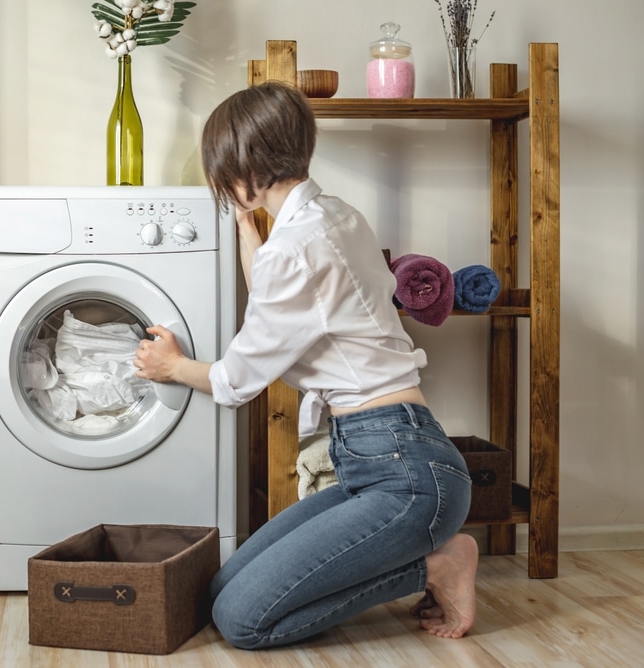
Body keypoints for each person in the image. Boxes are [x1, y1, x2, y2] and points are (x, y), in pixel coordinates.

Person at [133, 81, 479, 649]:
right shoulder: (335, 217)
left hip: (405, 478)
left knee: (243, 621)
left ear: (245, 164)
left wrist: (172, 366)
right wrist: (250, 230)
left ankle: (438, 568)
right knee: (224, 589)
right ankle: (431, 558)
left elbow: (234, 381)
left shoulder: (295, 250)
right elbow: (280, 304)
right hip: (386, 459)